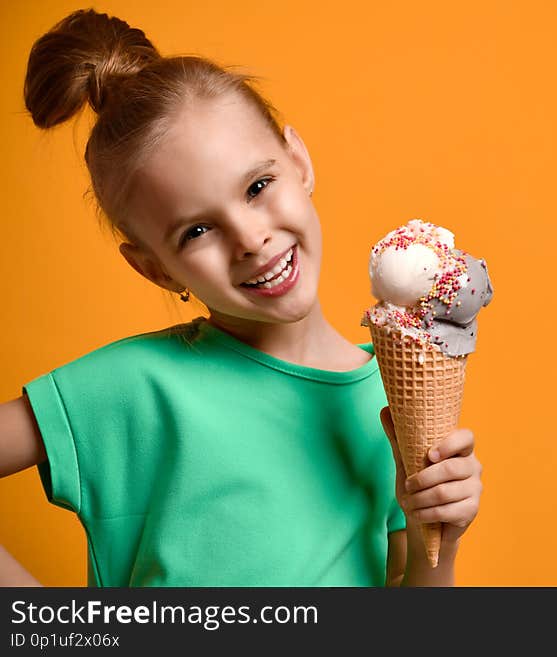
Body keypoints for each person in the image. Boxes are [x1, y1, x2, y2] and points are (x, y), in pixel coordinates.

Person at [0, 8, 483, 587]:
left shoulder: (387, 403)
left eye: (257, 187)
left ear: (298, 162)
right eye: (197, 231)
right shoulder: (136, 385)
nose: (251, 239)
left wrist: (442, 543)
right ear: (155, 269)